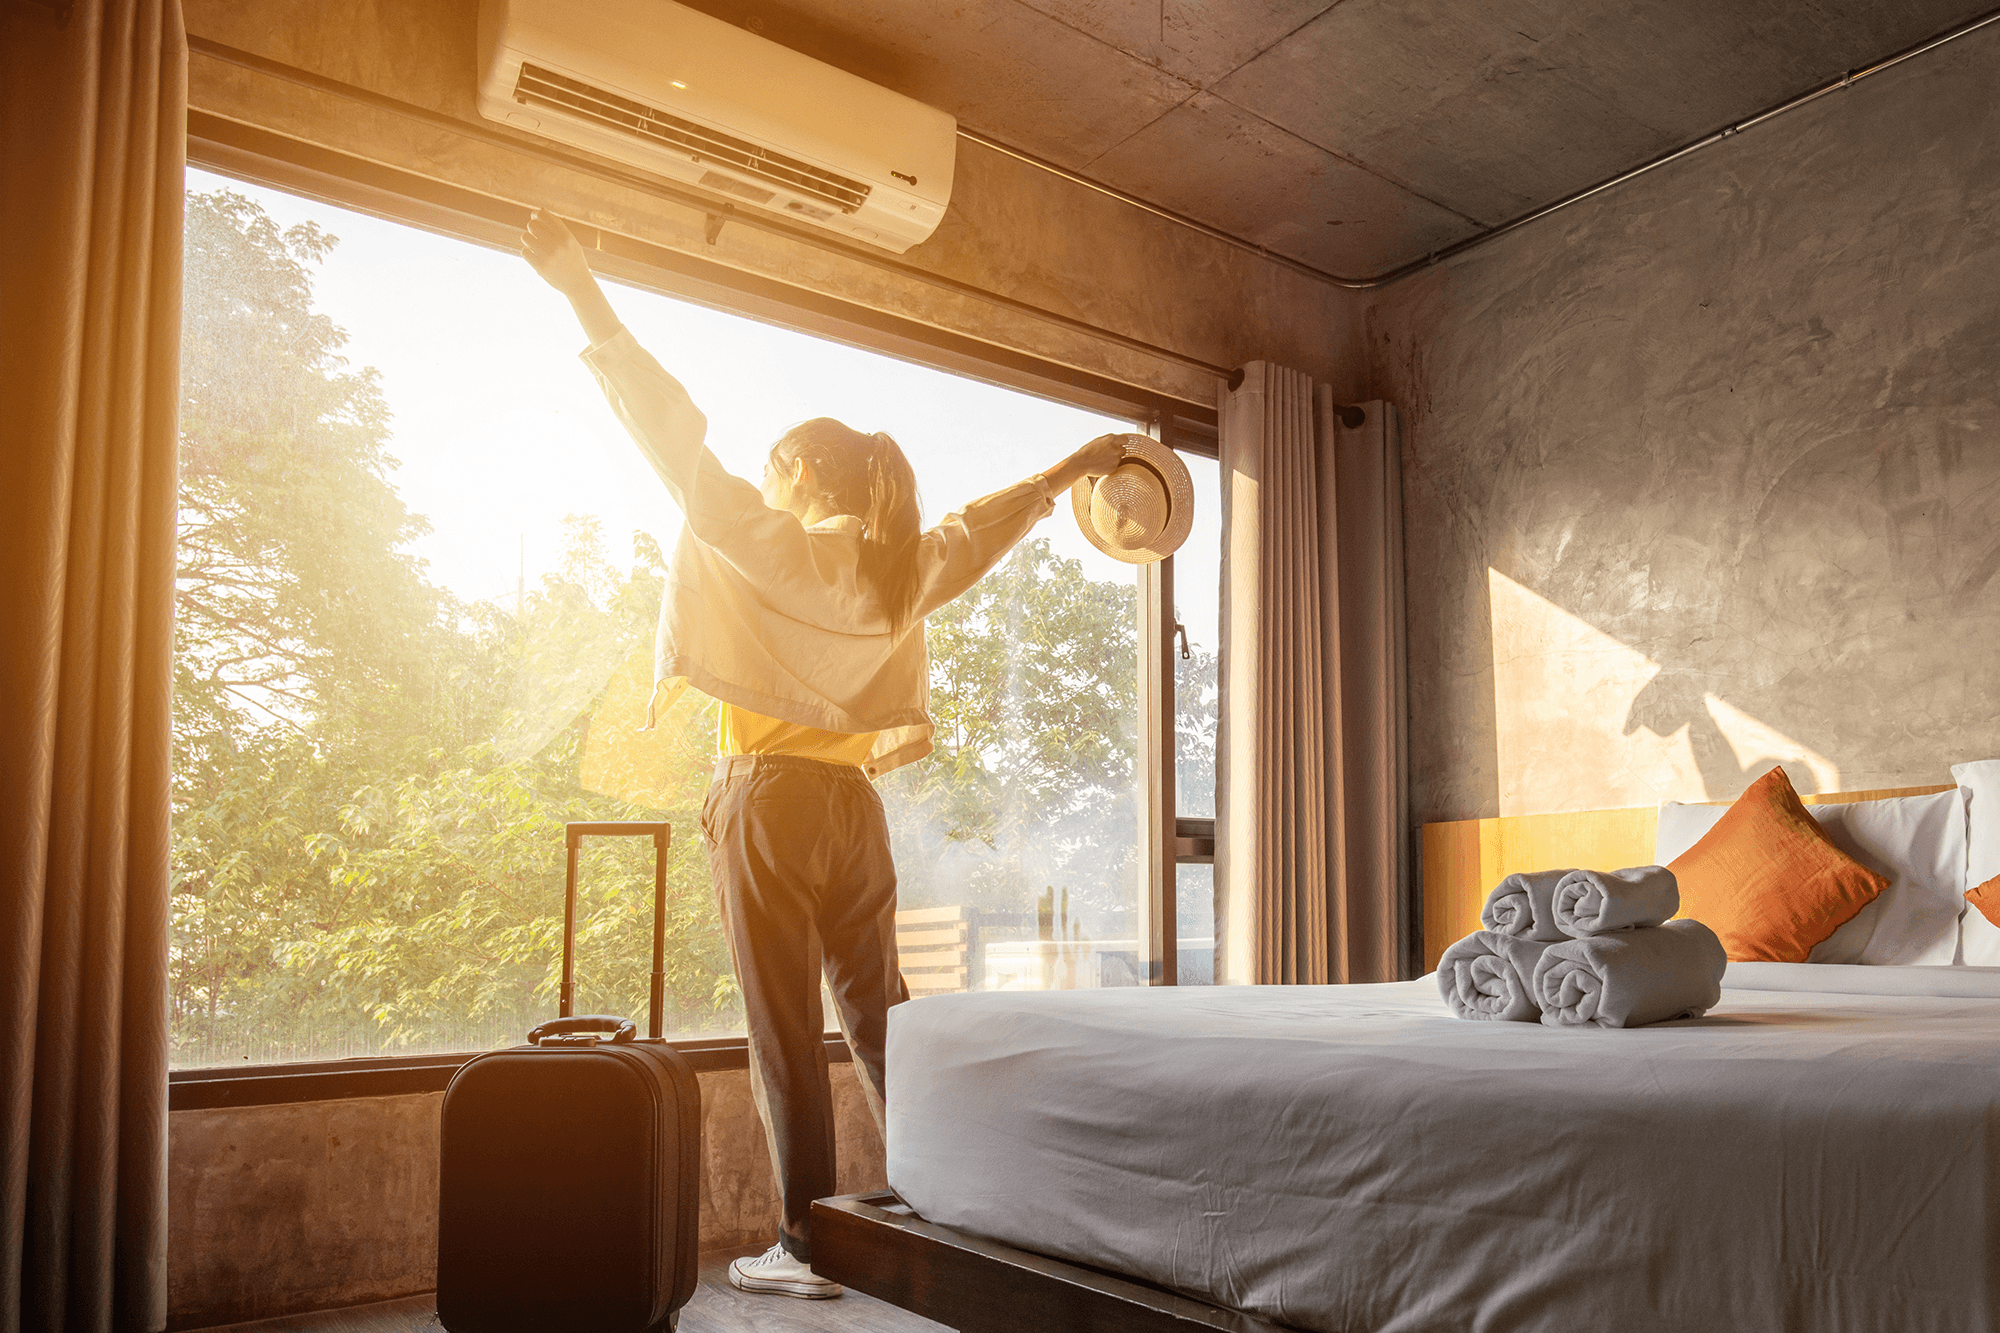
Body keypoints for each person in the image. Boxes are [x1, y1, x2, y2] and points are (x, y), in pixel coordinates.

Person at [519, 210, 1125, 1300]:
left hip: (768, 802)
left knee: (783, 1029)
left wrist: (580, 292)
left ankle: (801, 1240)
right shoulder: (898, 570)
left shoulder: (770, 539)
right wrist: (1071, 464)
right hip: (854, 810)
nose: (764, 479)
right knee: (880, 1016)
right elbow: (987, 526)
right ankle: (940, 1206)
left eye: (772, 467)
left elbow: (665, 431)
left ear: (798, 470)